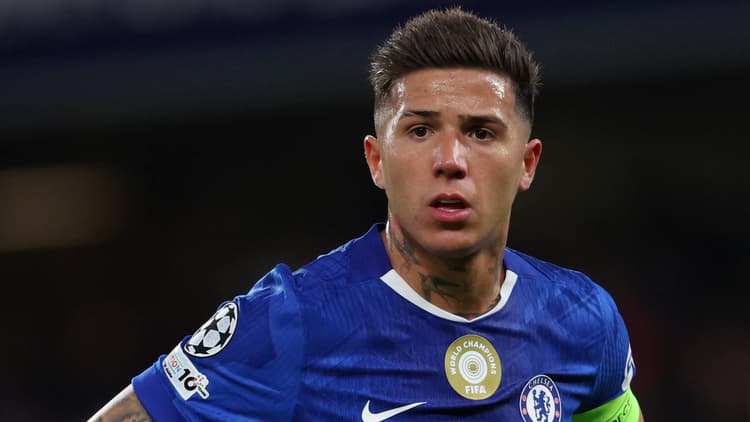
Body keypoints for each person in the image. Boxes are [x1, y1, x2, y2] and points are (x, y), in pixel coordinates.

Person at [90, 7, 644, 421]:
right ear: (377, 160)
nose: (450, 160)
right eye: (420, 130)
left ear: (527, 163)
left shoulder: (584, 320)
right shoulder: (291, 320)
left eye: (481, 132)